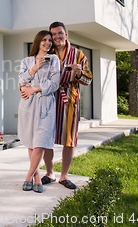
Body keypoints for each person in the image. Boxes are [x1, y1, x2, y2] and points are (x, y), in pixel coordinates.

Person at [40, 22, 92, 190]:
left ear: (66, 34)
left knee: (69, 140)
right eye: (53, 34)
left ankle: (64, 176)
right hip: (49, 100)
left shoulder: (78, 54)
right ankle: (49, 173)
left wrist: (78, 72)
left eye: (59, 33)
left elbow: (88, 80)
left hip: (69, 101)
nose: (56, 37)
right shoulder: (48, 53)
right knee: (47, 138)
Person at [18, 30, 60, 193]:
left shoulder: (54, 59)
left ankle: (28, 176)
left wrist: (34, 88)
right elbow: (21, 80)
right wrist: (36, 67)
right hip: (28, 105)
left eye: (50, 40)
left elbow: (54, 83)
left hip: (46, 104)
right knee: (30, 140)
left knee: (41, 141)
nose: (48, 43)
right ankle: (37, 178)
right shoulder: (27, 61)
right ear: (37, 42)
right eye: (44, 40)